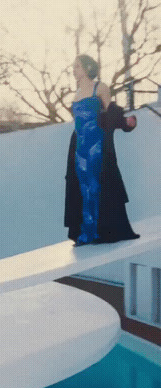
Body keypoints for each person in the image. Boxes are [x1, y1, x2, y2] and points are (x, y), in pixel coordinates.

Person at [65, 54, 139, 246]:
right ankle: (87, 232)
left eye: (77, 66)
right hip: (80, 144)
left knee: (98, 184)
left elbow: (111, 113)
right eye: (74, 67)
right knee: (82, 186)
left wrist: (125, 123)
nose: (74, 70)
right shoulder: (77, 92)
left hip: (97, 142)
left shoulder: (101, 87)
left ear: (88, 68)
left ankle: (102, 231)